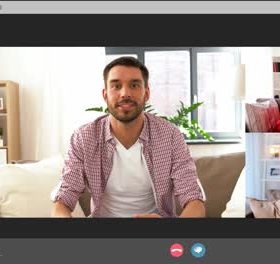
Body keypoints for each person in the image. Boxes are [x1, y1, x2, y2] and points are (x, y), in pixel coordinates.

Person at [52, 56, 206, 218]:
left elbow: (194, 201)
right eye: (116, 86)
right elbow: (63, 199)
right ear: (105, 95)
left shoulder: (170, 135)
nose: (125, 93)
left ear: (146, 94)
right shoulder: (83, 138)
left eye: (134, 85)